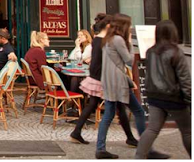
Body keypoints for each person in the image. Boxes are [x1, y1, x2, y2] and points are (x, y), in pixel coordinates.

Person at [95, 13, 168, 159]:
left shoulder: (107, 39)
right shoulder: (118, 40)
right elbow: (129, 60)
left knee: (109, 114)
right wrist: (129, 42)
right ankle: (146, 148)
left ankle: (100, 148)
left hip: (109, 81)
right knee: (138, 112)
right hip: (118, 82)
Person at [70, 15, 137, 146]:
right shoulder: (105, 41)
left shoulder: (96, 40)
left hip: (96, 75)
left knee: (94, 105)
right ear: (107, 26)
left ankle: (76, 132)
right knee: (119, 107)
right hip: (103, 76)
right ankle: (129, 137)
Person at [136, 20, 191, 159]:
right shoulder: (176, 52)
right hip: (174, 98)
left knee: (152, 129)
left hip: (155, 97)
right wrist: (189, 98)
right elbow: (185, 79)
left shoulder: (150, 52)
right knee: (187, 132)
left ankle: (139, 157)